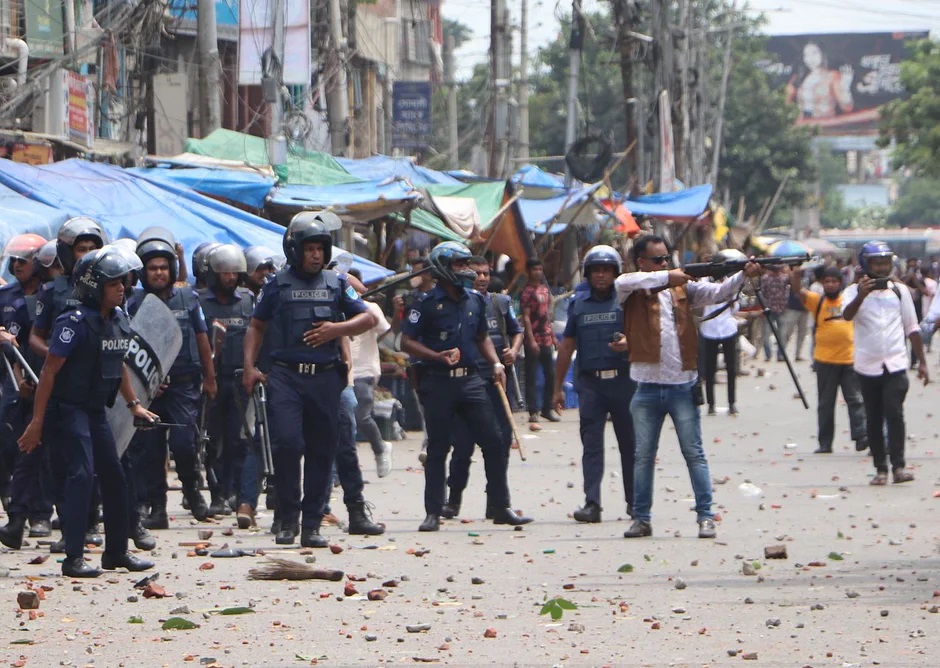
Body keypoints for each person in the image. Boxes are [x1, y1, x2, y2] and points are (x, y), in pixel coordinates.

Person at [17, 248, 157, 577]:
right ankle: (73, 557)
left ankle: (116, 553)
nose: (121, 288)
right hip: (67, 409)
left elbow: (118, 363)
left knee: (115, 475)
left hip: (95, 410)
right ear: (95, 287)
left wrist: (134, 403)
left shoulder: (119, 319)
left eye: (122, 282)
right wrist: (37, 422)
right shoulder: (73, 322)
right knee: (82, 475)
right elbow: (50, 371)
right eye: (113, 284)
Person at [241, 212, 374, 547]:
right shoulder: (277, 284)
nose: (316, 254)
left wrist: (337, 329)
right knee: (287, 444)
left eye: (320, 248)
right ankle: (286, 519)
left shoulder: (337, 283)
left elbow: (367, 317)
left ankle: (311, 525)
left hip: (325, 379)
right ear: (294, 250)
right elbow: (256, 326)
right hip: (285, 376)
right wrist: (249, 366)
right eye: (309, 248)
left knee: (321, 450)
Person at [616, 236, 760, 540]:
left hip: (682, 385)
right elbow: (629, 280)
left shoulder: (683, 289)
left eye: (666, 259)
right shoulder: (628, 286)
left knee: (694, 454)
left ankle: (706, 516)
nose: (664, 264)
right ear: (641, 262)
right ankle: (641, 518)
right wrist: (670, 275)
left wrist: (744, 274)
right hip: (646, 386)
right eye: (657, 260)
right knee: (643, 456)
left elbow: (719, 292)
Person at [401, 241, 532, 532]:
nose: (467, 271)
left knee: (494, 442)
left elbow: (482, 336)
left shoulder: (476, 300)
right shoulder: (424, 303)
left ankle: (500, 506)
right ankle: (433, 511)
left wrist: (496, 363)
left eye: (466, 264)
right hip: (437, 382)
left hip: (472, 380)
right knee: (438, 448)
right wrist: (436, 356)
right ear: (443, 269)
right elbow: (406, 342)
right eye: (459, 265)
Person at [126, 227, 217, 527]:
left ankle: (192, 490)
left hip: (183, 385)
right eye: (153, 268)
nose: (159, 273)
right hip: (150, 390)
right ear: (144, 272)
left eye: (164, 267)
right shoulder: (133, 303)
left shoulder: (188, 298)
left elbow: (203, 338)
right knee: (150, 452)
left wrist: (210, 378)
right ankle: (157, 507)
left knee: (183, 444)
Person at [552, 245, 636, 523]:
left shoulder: (628, 302)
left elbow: (646, 338)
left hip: (624, 383)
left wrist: (630, 344)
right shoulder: (578, 305)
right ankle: (592, 503)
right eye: (596, 270)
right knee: (592, 446)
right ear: (588, 274)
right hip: (591, 385)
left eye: (607, 270)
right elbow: (566, 347)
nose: (601, 275)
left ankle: (635, 502)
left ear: (616, 273)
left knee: (630, 445)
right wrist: (557, 389)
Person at [441, 255, 523, 519]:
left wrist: (513, 351)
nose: (482, 278)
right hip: (468, 382)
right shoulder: (458, 305)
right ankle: (452, 501)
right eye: (477, 273)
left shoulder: (500, 303)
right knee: (462, 445)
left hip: (497, 381)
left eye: (486, 273)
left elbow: (516, 330)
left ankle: (498, 502)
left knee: (500, 443)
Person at [843, 241, 928, 485]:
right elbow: (847, 316)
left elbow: (912, 328)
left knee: (895, 413)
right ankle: (881, 468)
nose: (881, 268)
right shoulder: (852, 292)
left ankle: (899, 466)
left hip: (896, 363)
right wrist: (862, 295)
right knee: (874, 416)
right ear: (865, 265)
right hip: (867, 365)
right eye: (877, 263)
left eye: (885, 263)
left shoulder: (900, 292)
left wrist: (921, 362)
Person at [0, 234, 53, 547]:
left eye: (25, 260)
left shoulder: (53, 296)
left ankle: (41, 514)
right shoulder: (6, 297)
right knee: (16, 446)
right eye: (15, 260)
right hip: (13, 382)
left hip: (49, 377)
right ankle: (17, 507)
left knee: (45, 451)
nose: (18, 265)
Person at [197, 244, 256, 521]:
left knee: (238, 438)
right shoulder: (201, 302)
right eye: (224, 273)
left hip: (239, 380)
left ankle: (234, 490)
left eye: (235, 272)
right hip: (212, 380)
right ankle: (216, 492)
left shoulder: (247, 300)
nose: (230, 278)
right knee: (212, 439)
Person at [790, 265, 868, 454]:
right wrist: (795, 276)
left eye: (834, 281)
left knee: (855, 400)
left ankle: (861, 436)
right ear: (822, 284)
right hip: (824, 361)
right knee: (826, 403)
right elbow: (797, 290)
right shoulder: (817, 301)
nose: (830, 285)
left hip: (849, 359)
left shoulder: (848, 301)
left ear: (840, 283)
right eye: (827, 282)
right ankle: (825, 442)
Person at [347, 268, 394, 478]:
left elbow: (385, 330)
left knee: (361, 415)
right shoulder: (334, 303)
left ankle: (380, 448)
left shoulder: (369, 307)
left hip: (364, 369)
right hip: (341, 370)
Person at [698, 250, 743, 416]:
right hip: (709, 328)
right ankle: (711, 404)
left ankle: (732, 403)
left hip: (727, 328)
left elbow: (736, 307)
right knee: (709, 369)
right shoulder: (703, 282)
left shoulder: (731, 282)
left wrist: (731, 299)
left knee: (731, 368)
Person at [520, 258, 559, 430]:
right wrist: (530, 339)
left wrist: (554, 337)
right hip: (533, 338)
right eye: (534, 269)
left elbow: (547, 316)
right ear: (528, 271)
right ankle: (533, 410)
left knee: (551, 374)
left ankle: (546, 408)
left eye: (540, 268)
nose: (538, 272)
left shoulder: (544, 290)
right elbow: (526, 318)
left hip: (546, 338)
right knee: (532, 376)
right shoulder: (527, 292)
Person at [786, 41, 854, 119]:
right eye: (806, 55)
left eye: (814, 53)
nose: (810, 58)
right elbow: (785, 99)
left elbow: (847, 107)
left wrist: (845, 87)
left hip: (825, 124)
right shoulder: (798, 77)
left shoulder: (832, 75)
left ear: (822, 54)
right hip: (803, 125)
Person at [758, 263, 789, 362]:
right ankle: (778, 355)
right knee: (781, 334)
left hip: (771, 309)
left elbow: (762, 293)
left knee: (769, 334)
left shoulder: (765, 278)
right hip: (778, 309)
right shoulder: (784, 278)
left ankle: (770, 355)